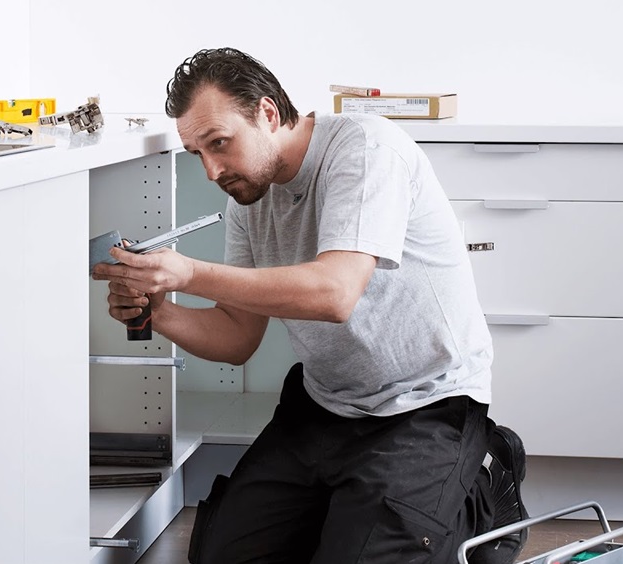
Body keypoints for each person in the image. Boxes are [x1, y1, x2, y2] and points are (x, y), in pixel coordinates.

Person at [91, 47, 529, 564]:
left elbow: (335, 293)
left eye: (220, 144)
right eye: (198, 154)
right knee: (218, 556)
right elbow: (237, 338)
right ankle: (351, 509)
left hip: (425, 405)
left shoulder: (365, 149)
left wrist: (190, 272)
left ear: (268, 113)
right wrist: (159, 310)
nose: (211, 170)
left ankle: (486, 479)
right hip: (325, 407)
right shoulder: (246, 204)